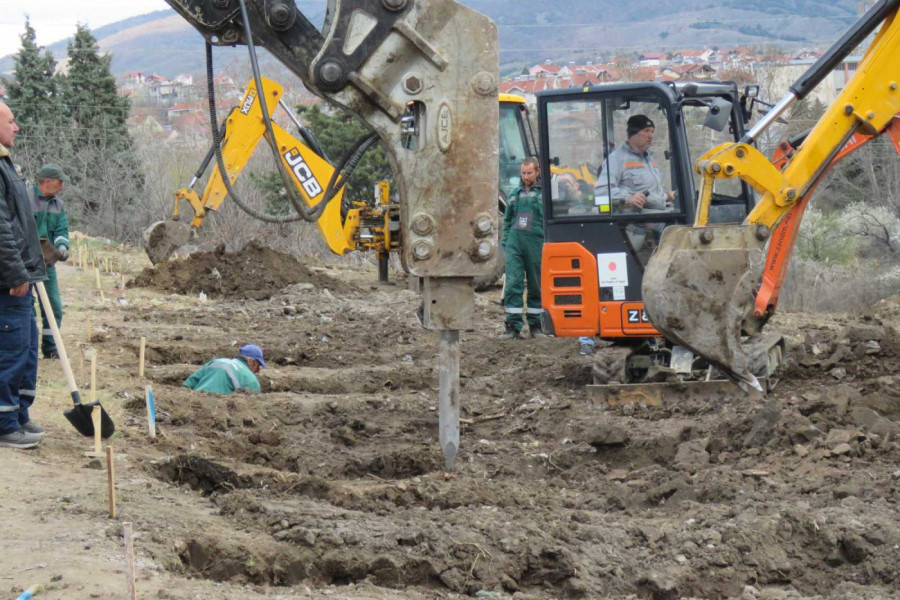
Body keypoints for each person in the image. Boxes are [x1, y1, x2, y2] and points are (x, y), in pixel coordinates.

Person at [0, 102, 47, 449]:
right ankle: (3, 423)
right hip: (9, 281)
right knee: (10, 350)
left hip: (23, 276)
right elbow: (1, 230)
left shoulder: (6, 165)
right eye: (11, 121)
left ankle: (18, 414)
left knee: (27, 347)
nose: (17, 127)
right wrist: (16, 273)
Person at [500, 157, 545, 339]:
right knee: (513, 283)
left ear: (537, 172)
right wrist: (506, 243)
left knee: (536, 285)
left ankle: (536, 326)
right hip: (515, 243)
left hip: (536, 244)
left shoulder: (544, 194)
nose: (525, 177)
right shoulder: (514, 194)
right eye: (523, 173)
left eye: (529, 173)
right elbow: (508, 220)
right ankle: (512, 326)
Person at [29, 164, 70, 359]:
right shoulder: (24, 199)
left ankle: (51, 348)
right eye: (59, 181)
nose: (62, 186)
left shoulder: (58, 205)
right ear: (46, 182)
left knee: (53, 306)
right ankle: (27, 346)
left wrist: (62, 247)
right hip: (26, 263)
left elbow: (61, 230)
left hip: (47, 264)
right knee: (26, 307)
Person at [595, 114, 675, 215]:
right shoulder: (617, 159)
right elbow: (601, 191)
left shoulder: (649, 158)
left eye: (652, 131)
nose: (651, 136)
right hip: (635, 222)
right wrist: (629, 198)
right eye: (646, 131)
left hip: (658, 214)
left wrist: (667, 196)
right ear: (633, 134)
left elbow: (649, 192)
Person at [183, 344, 267, 394]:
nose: (257, 371)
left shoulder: (216, 361)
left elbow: (188, 384)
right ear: (250, 361)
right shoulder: (251, 380)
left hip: (195, 401)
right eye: (258, 366)